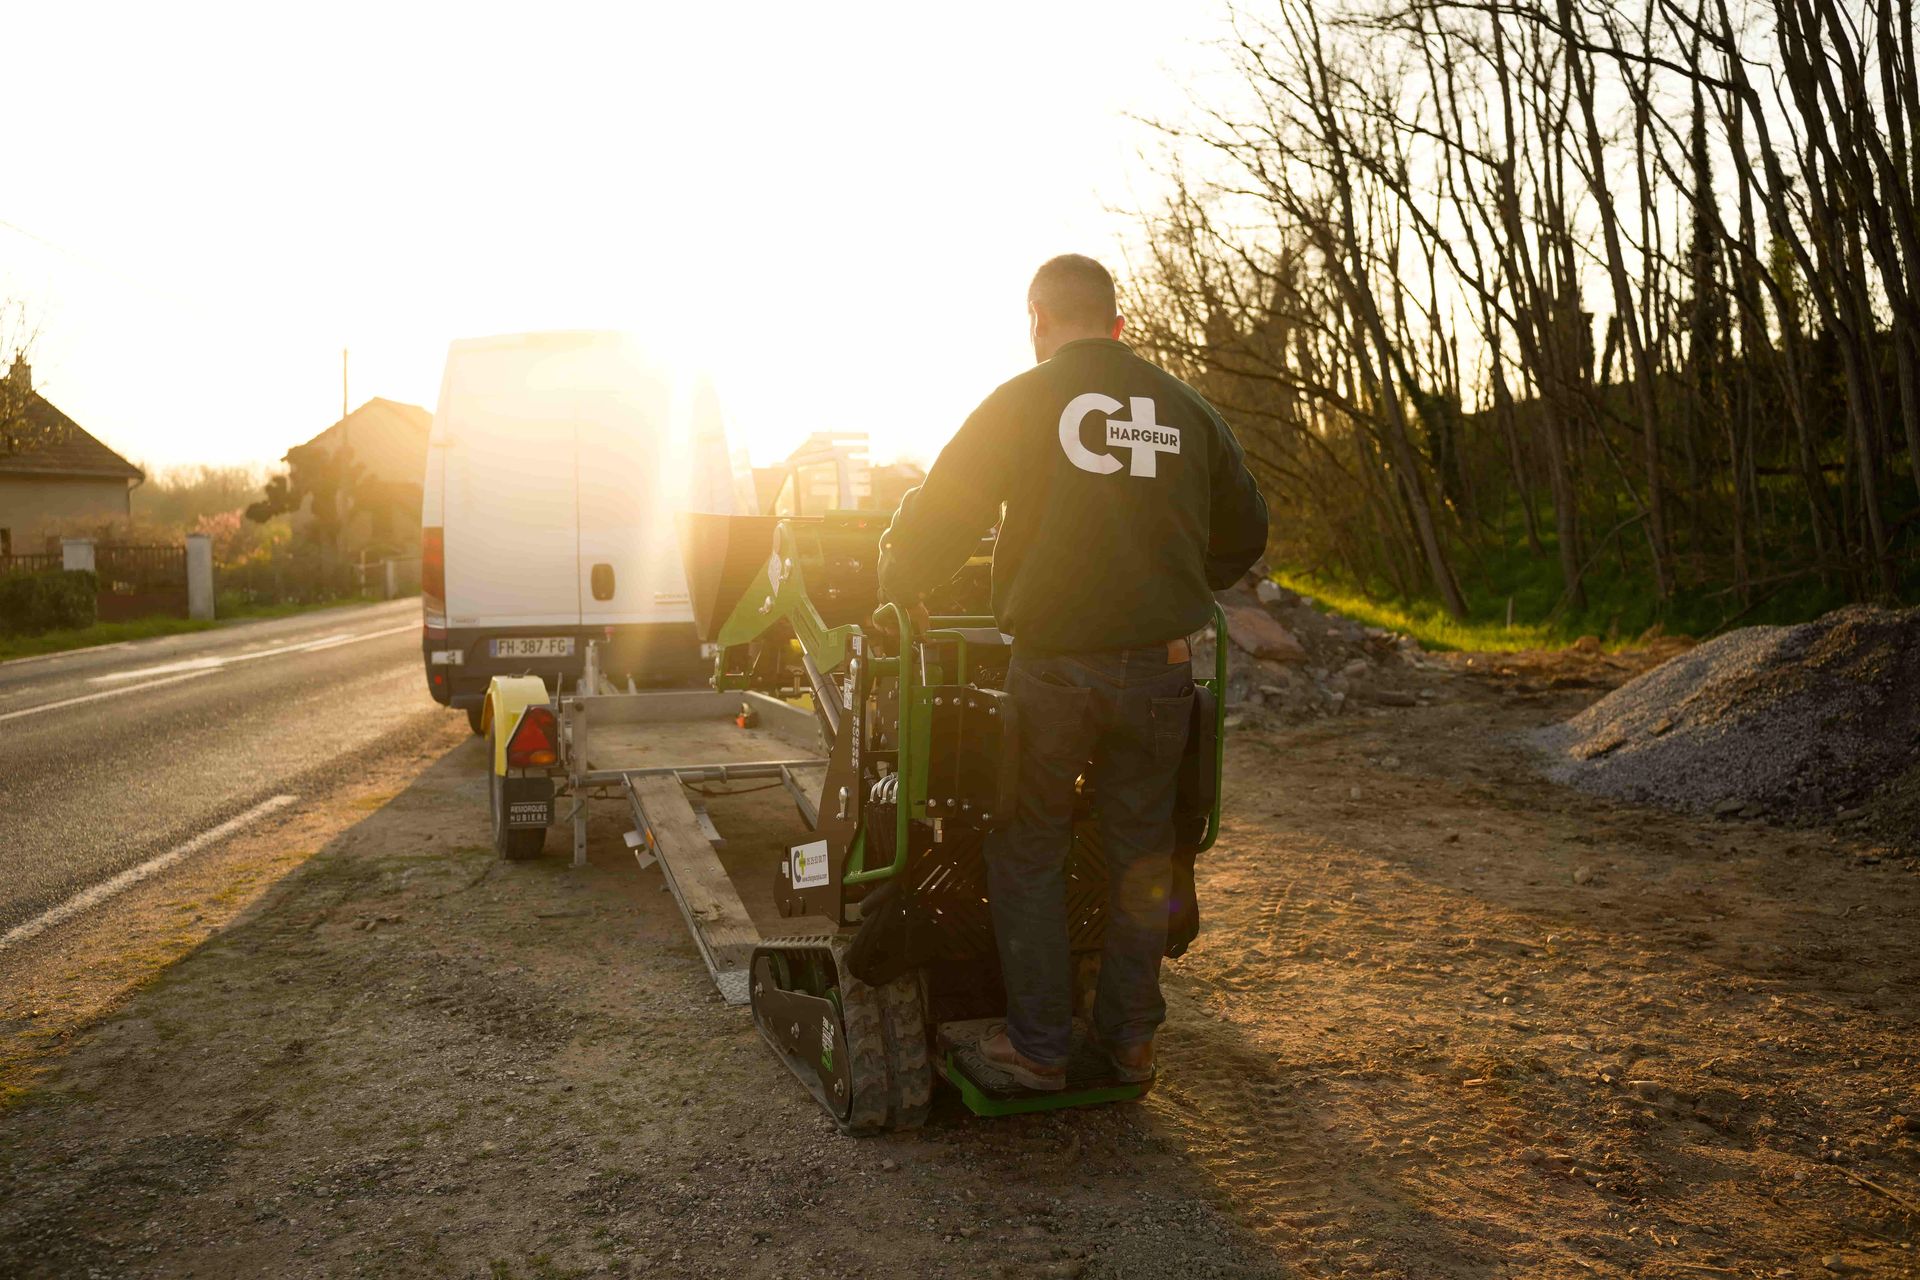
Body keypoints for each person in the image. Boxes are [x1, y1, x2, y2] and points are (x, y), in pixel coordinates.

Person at [876, 254, 1268, 1091]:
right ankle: (1130, 1042)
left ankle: (1040, 1048)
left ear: (1037, 321)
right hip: (1163, 671)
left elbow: (944, 511)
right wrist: (1183, 584)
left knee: (1028, 849)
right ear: (1120, 324)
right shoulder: (1186, 407)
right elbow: (1245, 528)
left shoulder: (1024, 400)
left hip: (1054, 672)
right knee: (1143, 853)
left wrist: (901, 585)